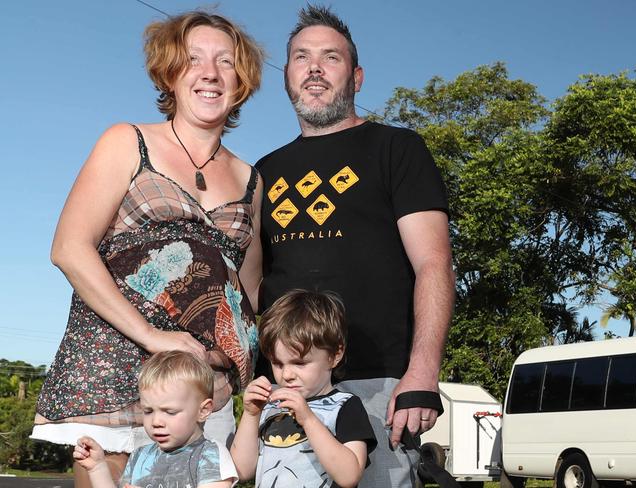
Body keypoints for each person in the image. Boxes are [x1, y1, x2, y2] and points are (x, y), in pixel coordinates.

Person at [32, 10, 264, 487]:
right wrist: (152, 336)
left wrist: (232, 355)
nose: (210, 73)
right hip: (109, 364)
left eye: (226, 61)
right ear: (170, 72)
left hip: (198, 382)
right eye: (193, 59)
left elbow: (250, 292)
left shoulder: (252, 180)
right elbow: (70, 249)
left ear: (241, 81)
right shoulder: (127, 142)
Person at [255, 5, 455, 487]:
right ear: (287, 77)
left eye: (331, 57)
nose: (315, 68)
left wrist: (422, 374)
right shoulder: (262, 172)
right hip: (285, 385)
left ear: (357, 76)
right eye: (301, 58)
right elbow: (251, 280)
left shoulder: (397, 149)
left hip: (376, 383)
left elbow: (434, 263)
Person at [231, 290, 376, 487]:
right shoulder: (271, 406)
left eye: (299, 363)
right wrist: (251, 415)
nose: (287, 374)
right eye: (278, 364)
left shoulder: (345, 406)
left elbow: (349, 476)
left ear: (334, 355)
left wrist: (308, 419)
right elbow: (242, 470)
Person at [74, 350, 238, 488]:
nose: (156, 422)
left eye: (170, 412)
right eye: (148, 411)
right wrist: (98, 468)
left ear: (203, 410)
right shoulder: (140, 456)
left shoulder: (210, 455)